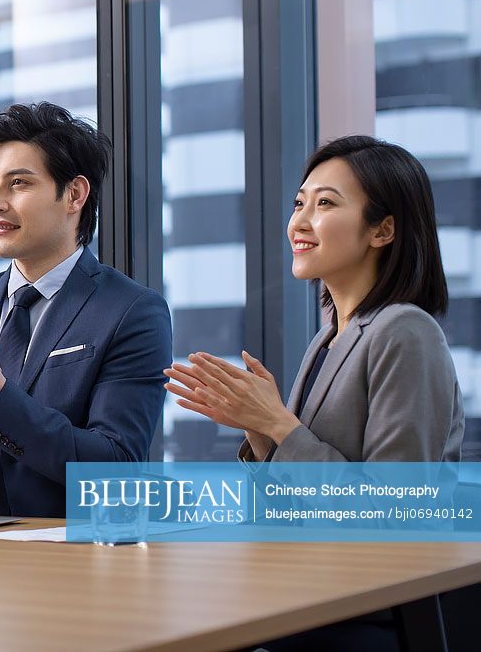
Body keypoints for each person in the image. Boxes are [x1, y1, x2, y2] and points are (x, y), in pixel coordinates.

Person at [0, 103, 172, 518]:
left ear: (75, 194)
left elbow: (117, 465)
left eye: (19, 184)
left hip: (60, 558)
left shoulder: (132, 312)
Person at [165, 135, 463, 463]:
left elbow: (394, 508)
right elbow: (302, 501)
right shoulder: (328, 338)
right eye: (299, 203)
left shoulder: (406, 331)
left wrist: (276, 421)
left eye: (325, 203)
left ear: (382, 231)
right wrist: (259, 427)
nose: (298, 223)